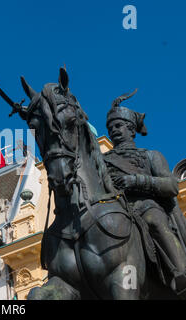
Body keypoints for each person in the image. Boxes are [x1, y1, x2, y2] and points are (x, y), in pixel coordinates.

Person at [103, 90, 186, 296]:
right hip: (117, 210)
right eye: (110, 127)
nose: (113, 130)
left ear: (131, 130)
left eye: (118, 125)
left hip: (145, 206)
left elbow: (171, 186)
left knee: (154, 220)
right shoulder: (103, 162)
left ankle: (180, 272)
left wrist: (136, 180)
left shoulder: (151, 156)